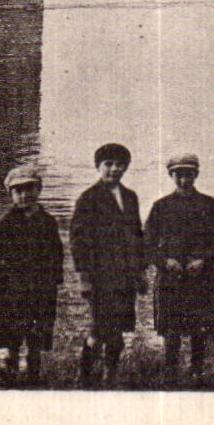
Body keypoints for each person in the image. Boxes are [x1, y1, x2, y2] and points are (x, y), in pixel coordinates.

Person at [143, 152, 214, 381]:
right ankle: (171, 369)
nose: (184, 180)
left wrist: (204, 260)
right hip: (171, 278)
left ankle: (197, 369)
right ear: (171, 176)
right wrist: (164, 261)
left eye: (189, 174)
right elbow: (147, 244)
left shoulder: (209, 205)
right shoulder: (161, 206)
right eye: (179, 175)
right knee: (171, 329)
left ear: (196, 175)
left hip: (200, 277)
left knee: (198, 328)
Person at [69, 142, 146, 385]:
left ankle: (109, 374)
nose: (114, 169)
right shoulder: (88, 198)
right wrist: (84, 277)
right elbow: (78, 241)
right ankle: (84, 372)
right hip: (100, 276)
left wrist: (140, 272)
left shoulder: (130, 197)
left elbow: (137, 236)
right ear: (98, 167)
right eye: (108, 164)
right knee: (100, 328)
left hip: (125, 276)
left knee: (119, 328)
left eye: (120, 165)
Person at [0, 165, 64, 383]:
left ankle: (33, 375)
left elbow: (57, 253)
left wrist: (54, 280)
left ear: (39, 190)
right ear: (11, 194)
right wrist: (0, 279)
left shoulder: (48, 222)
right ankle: (10, 372)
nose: (24, 195)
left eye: (29, 189)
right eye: (18, 191)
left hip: (41, 289)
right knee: (12, 335)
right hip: (14, 290)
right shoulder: (6, 223)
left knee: (37, 336)